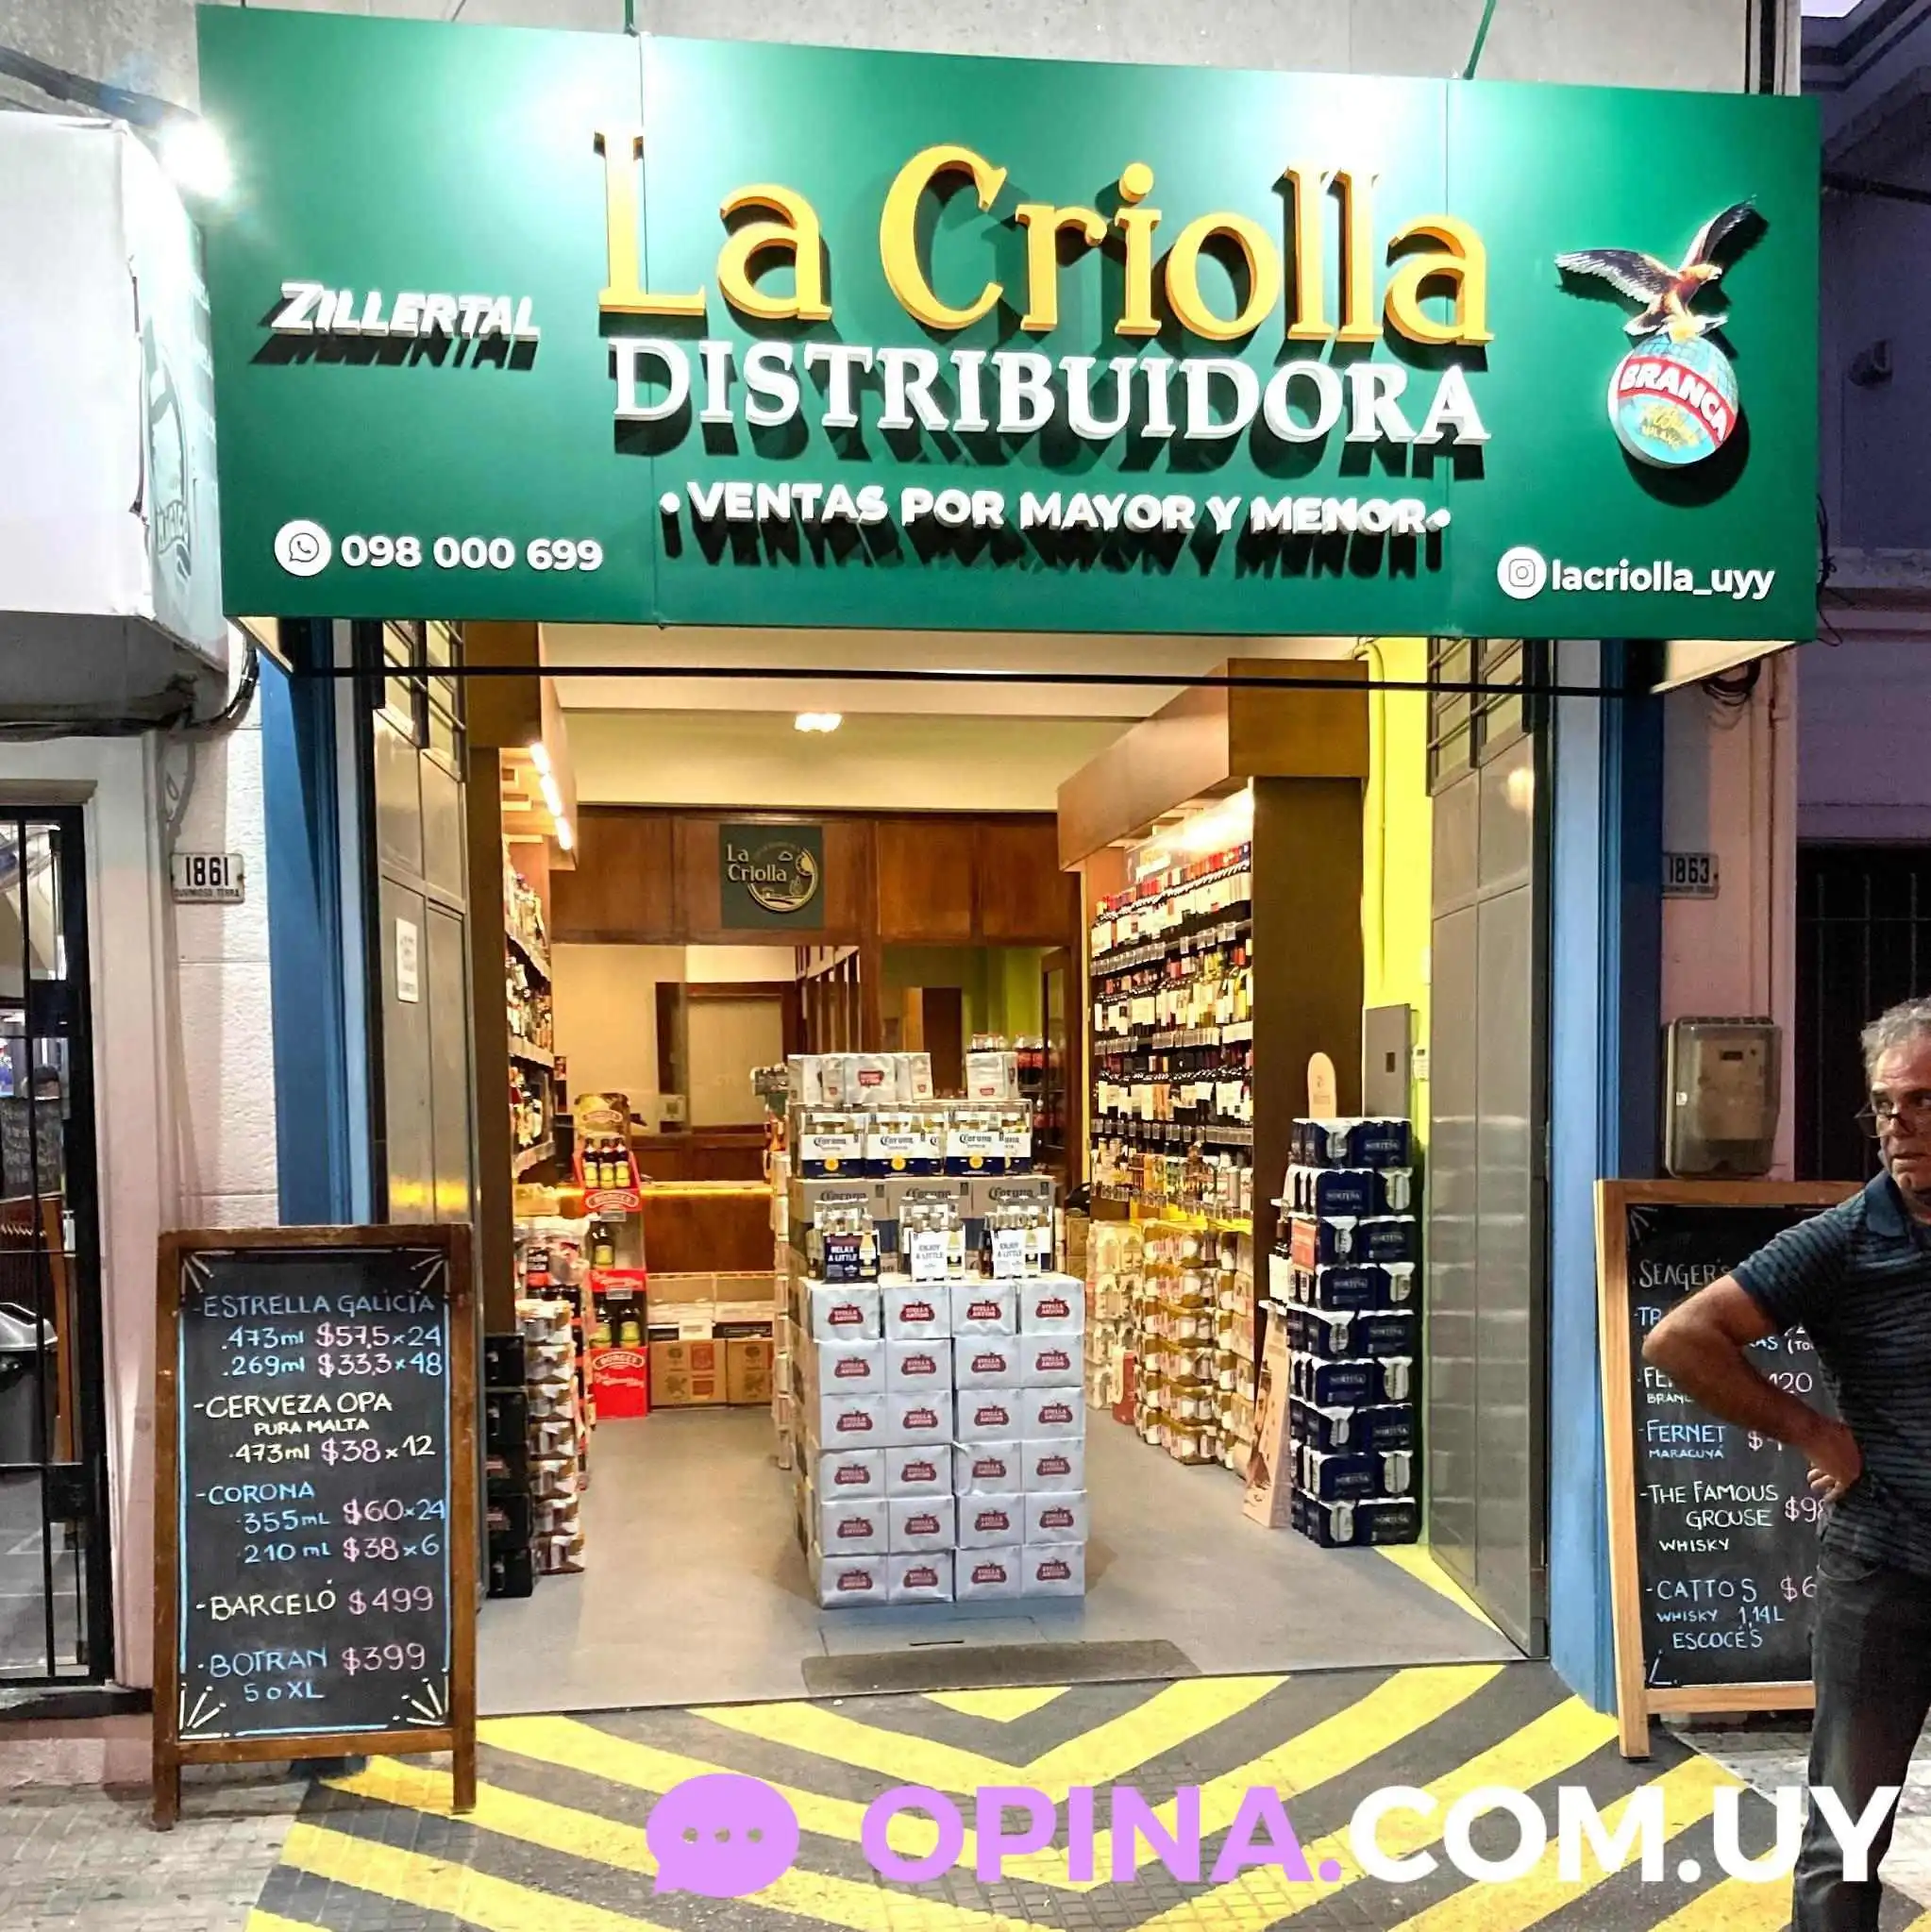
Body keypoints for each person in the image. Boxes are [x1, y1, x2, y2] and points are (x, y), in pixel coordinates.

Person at [1644, 995, 1931, 1932]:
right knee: (1846, 1836)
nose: (1899, 1123)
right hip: (1884, 1573)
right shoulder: (1843, 1240)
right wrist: (1813, 1431)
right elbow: (1682, 1340)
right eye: (1884, 1105)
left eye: (1922, 1100)